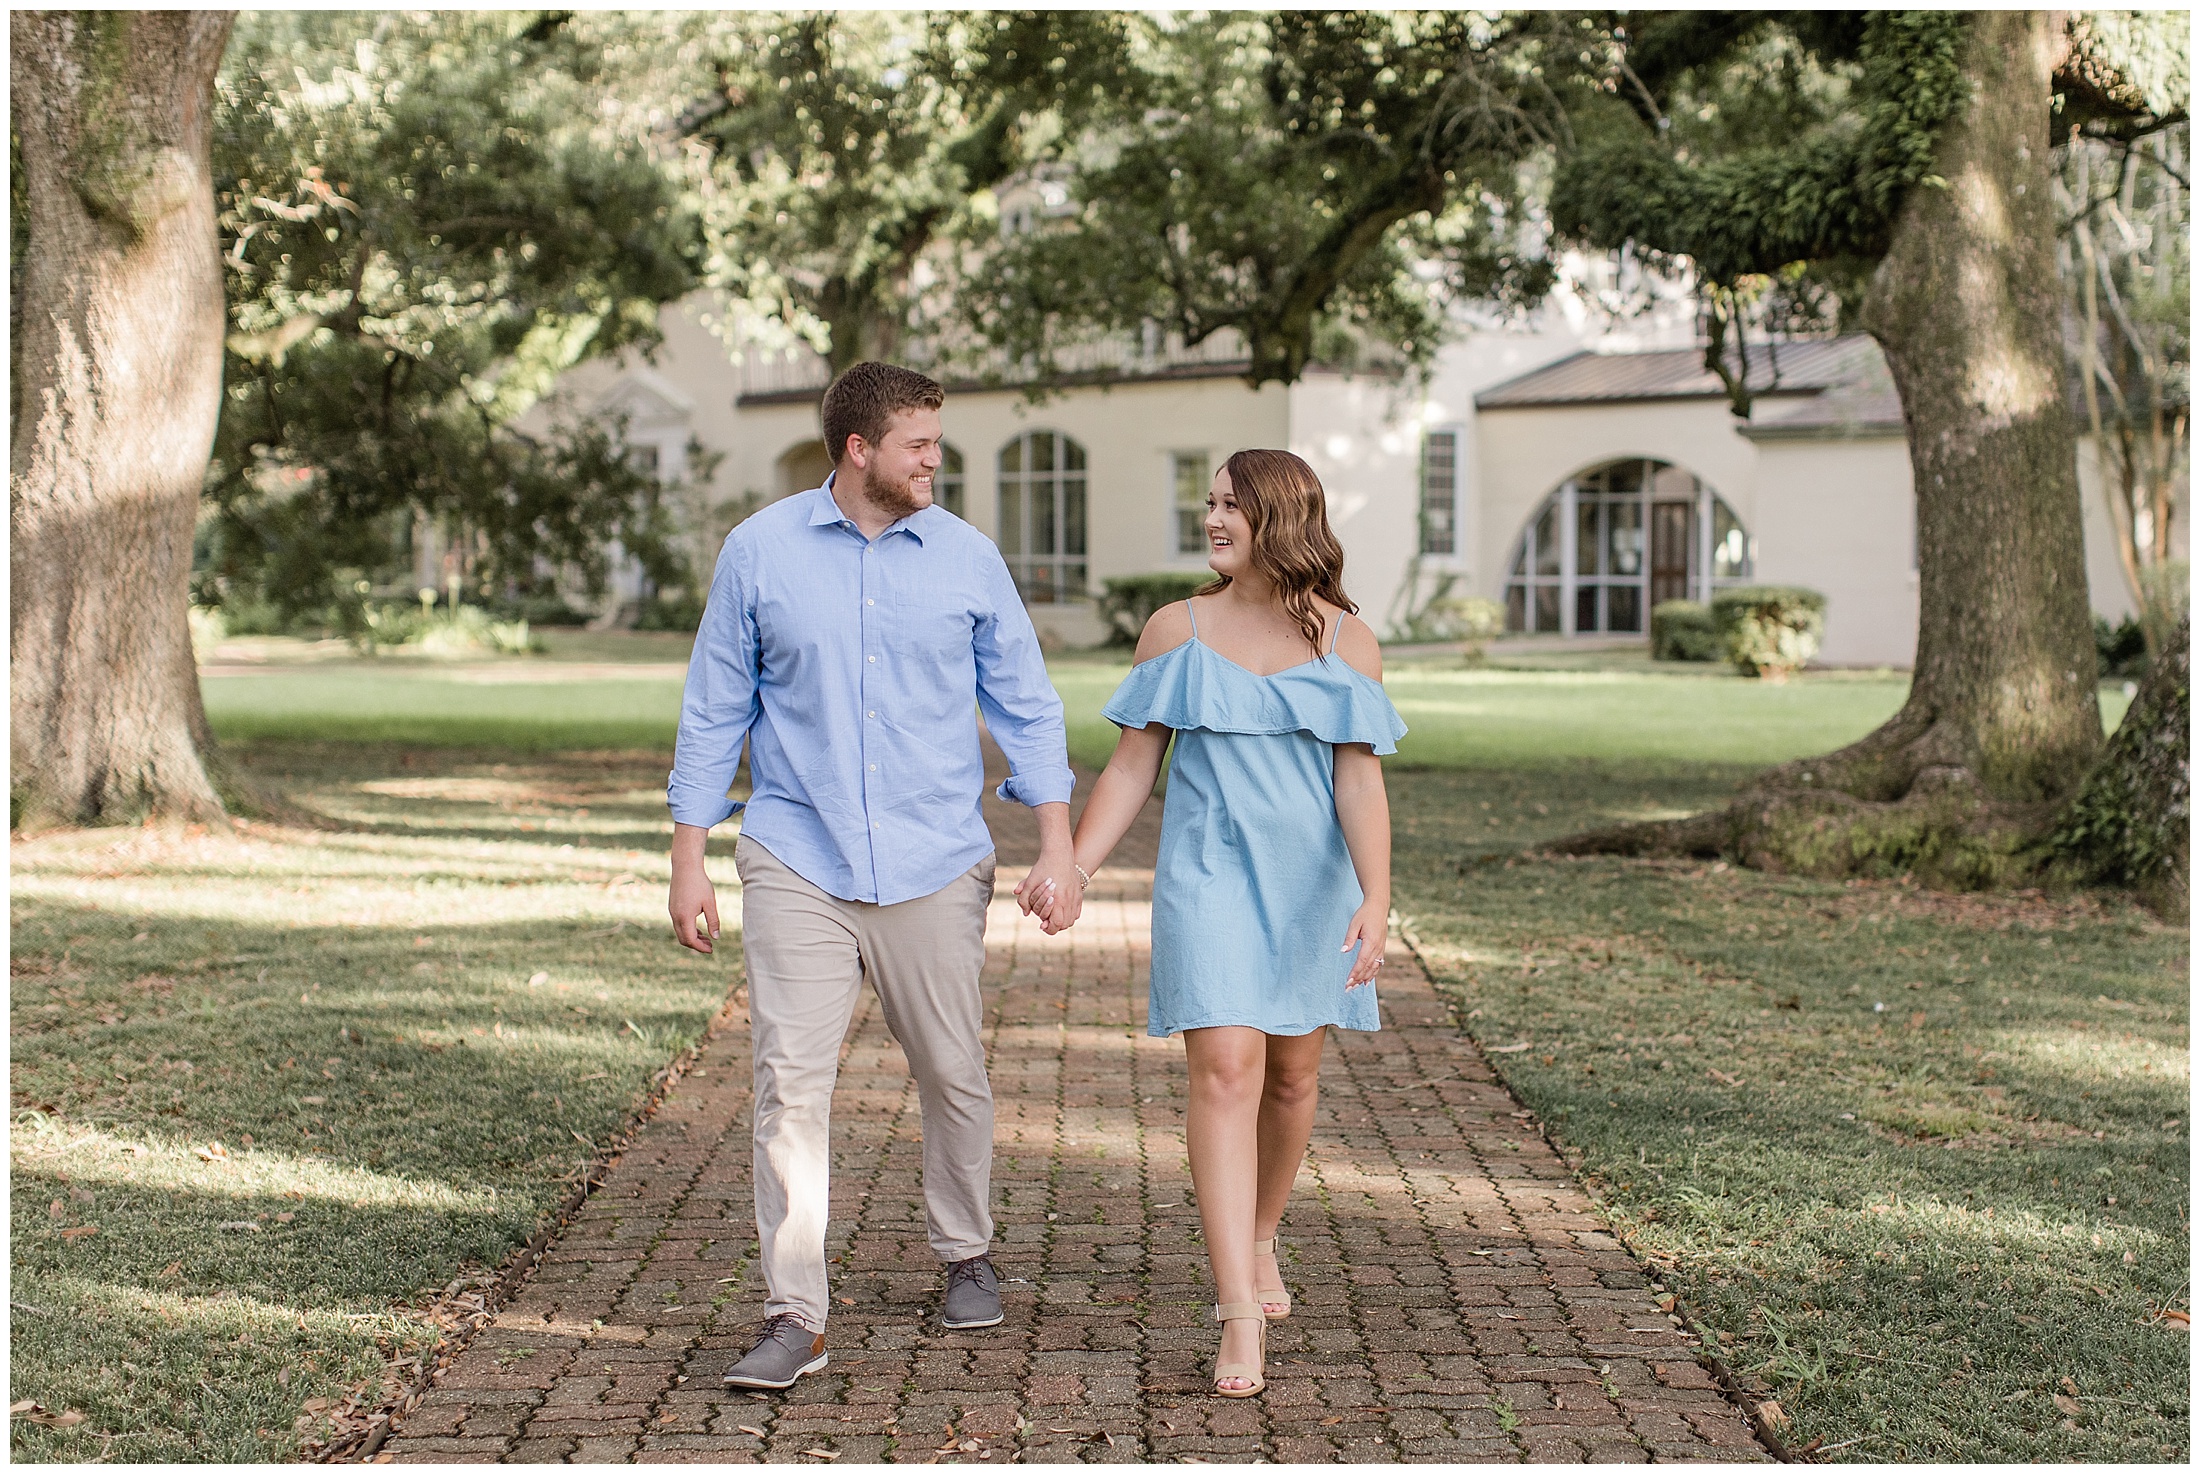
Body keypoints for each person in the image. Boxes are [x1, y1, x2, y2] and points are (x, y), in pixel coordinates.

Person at [666, 362, 1080, 1390]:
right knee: (787, 1088)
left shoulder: (968, 559)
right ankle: (794, 1312)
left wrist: (1058, 842)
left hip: (935, 858)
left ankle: (965, 1249)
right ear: (857, 449)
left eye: (935, 440)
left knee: (951, 1070)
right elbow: (714, 705)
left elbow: (1025, 704)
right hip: (795, 853)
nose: (934, 457)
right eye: (916, 443)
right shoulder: (759, 551)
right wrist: (688, 855)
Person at [1035, 448, 1405, 1398]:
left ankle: (1264, 1230)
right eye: (1208, 504)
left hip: (1311, 886)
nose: (1212, 520)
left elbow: (1359, 778)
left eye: (1231, 506)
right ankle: (1237, 1307)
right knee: (1228, 1067)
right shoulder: (1176, 630)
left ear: (1281, 518)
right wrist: (1074, 866)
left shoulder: (1346, 642)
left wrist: (1377, 895)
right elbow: (1130, 769)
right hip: (1208, 878)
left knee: (1293, 1076)